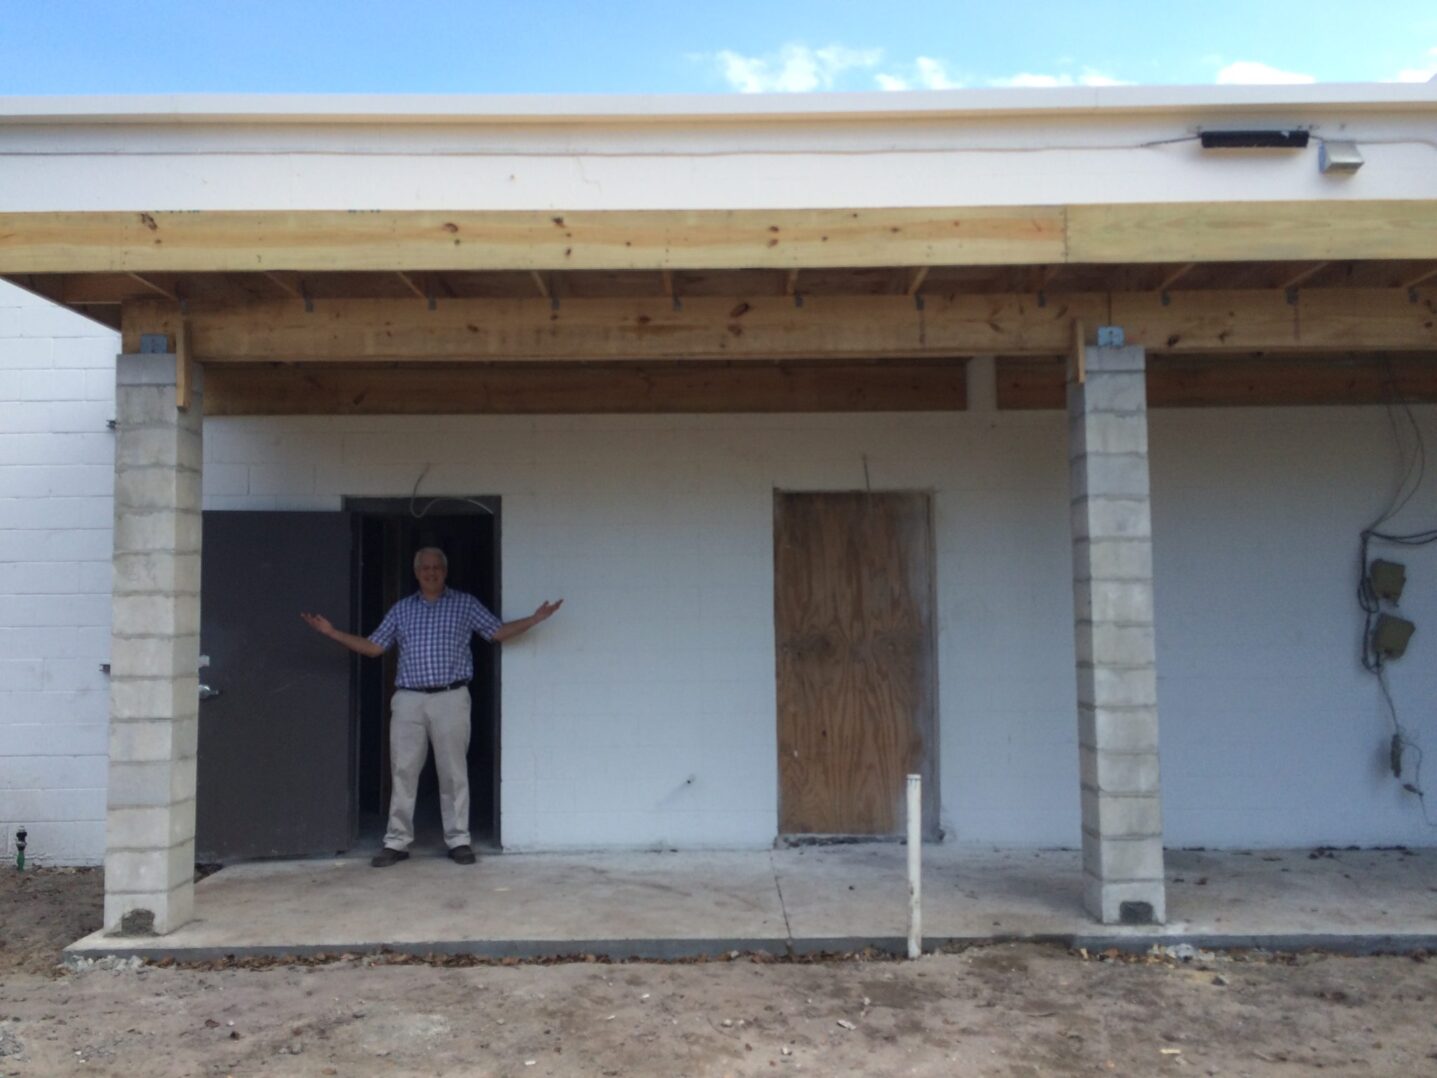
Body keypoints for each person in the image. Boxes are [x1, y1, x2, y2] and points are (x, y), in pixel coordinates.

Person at [300, 546, 561, 868]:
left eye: (437, 567)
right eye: (425, 567)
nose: (431, 572)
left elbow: (497, 631)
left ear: (445, 571)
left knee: (453, 772)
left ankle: (459, 839)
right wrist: (331, 632)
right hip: (409, 700)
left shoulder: (464, 604)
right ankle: (396, 842)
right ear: (416, 572)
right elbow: (373, 647)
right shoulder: (401, 610)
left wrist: (535, 619)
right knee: (403, 771)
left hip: (451, 697)